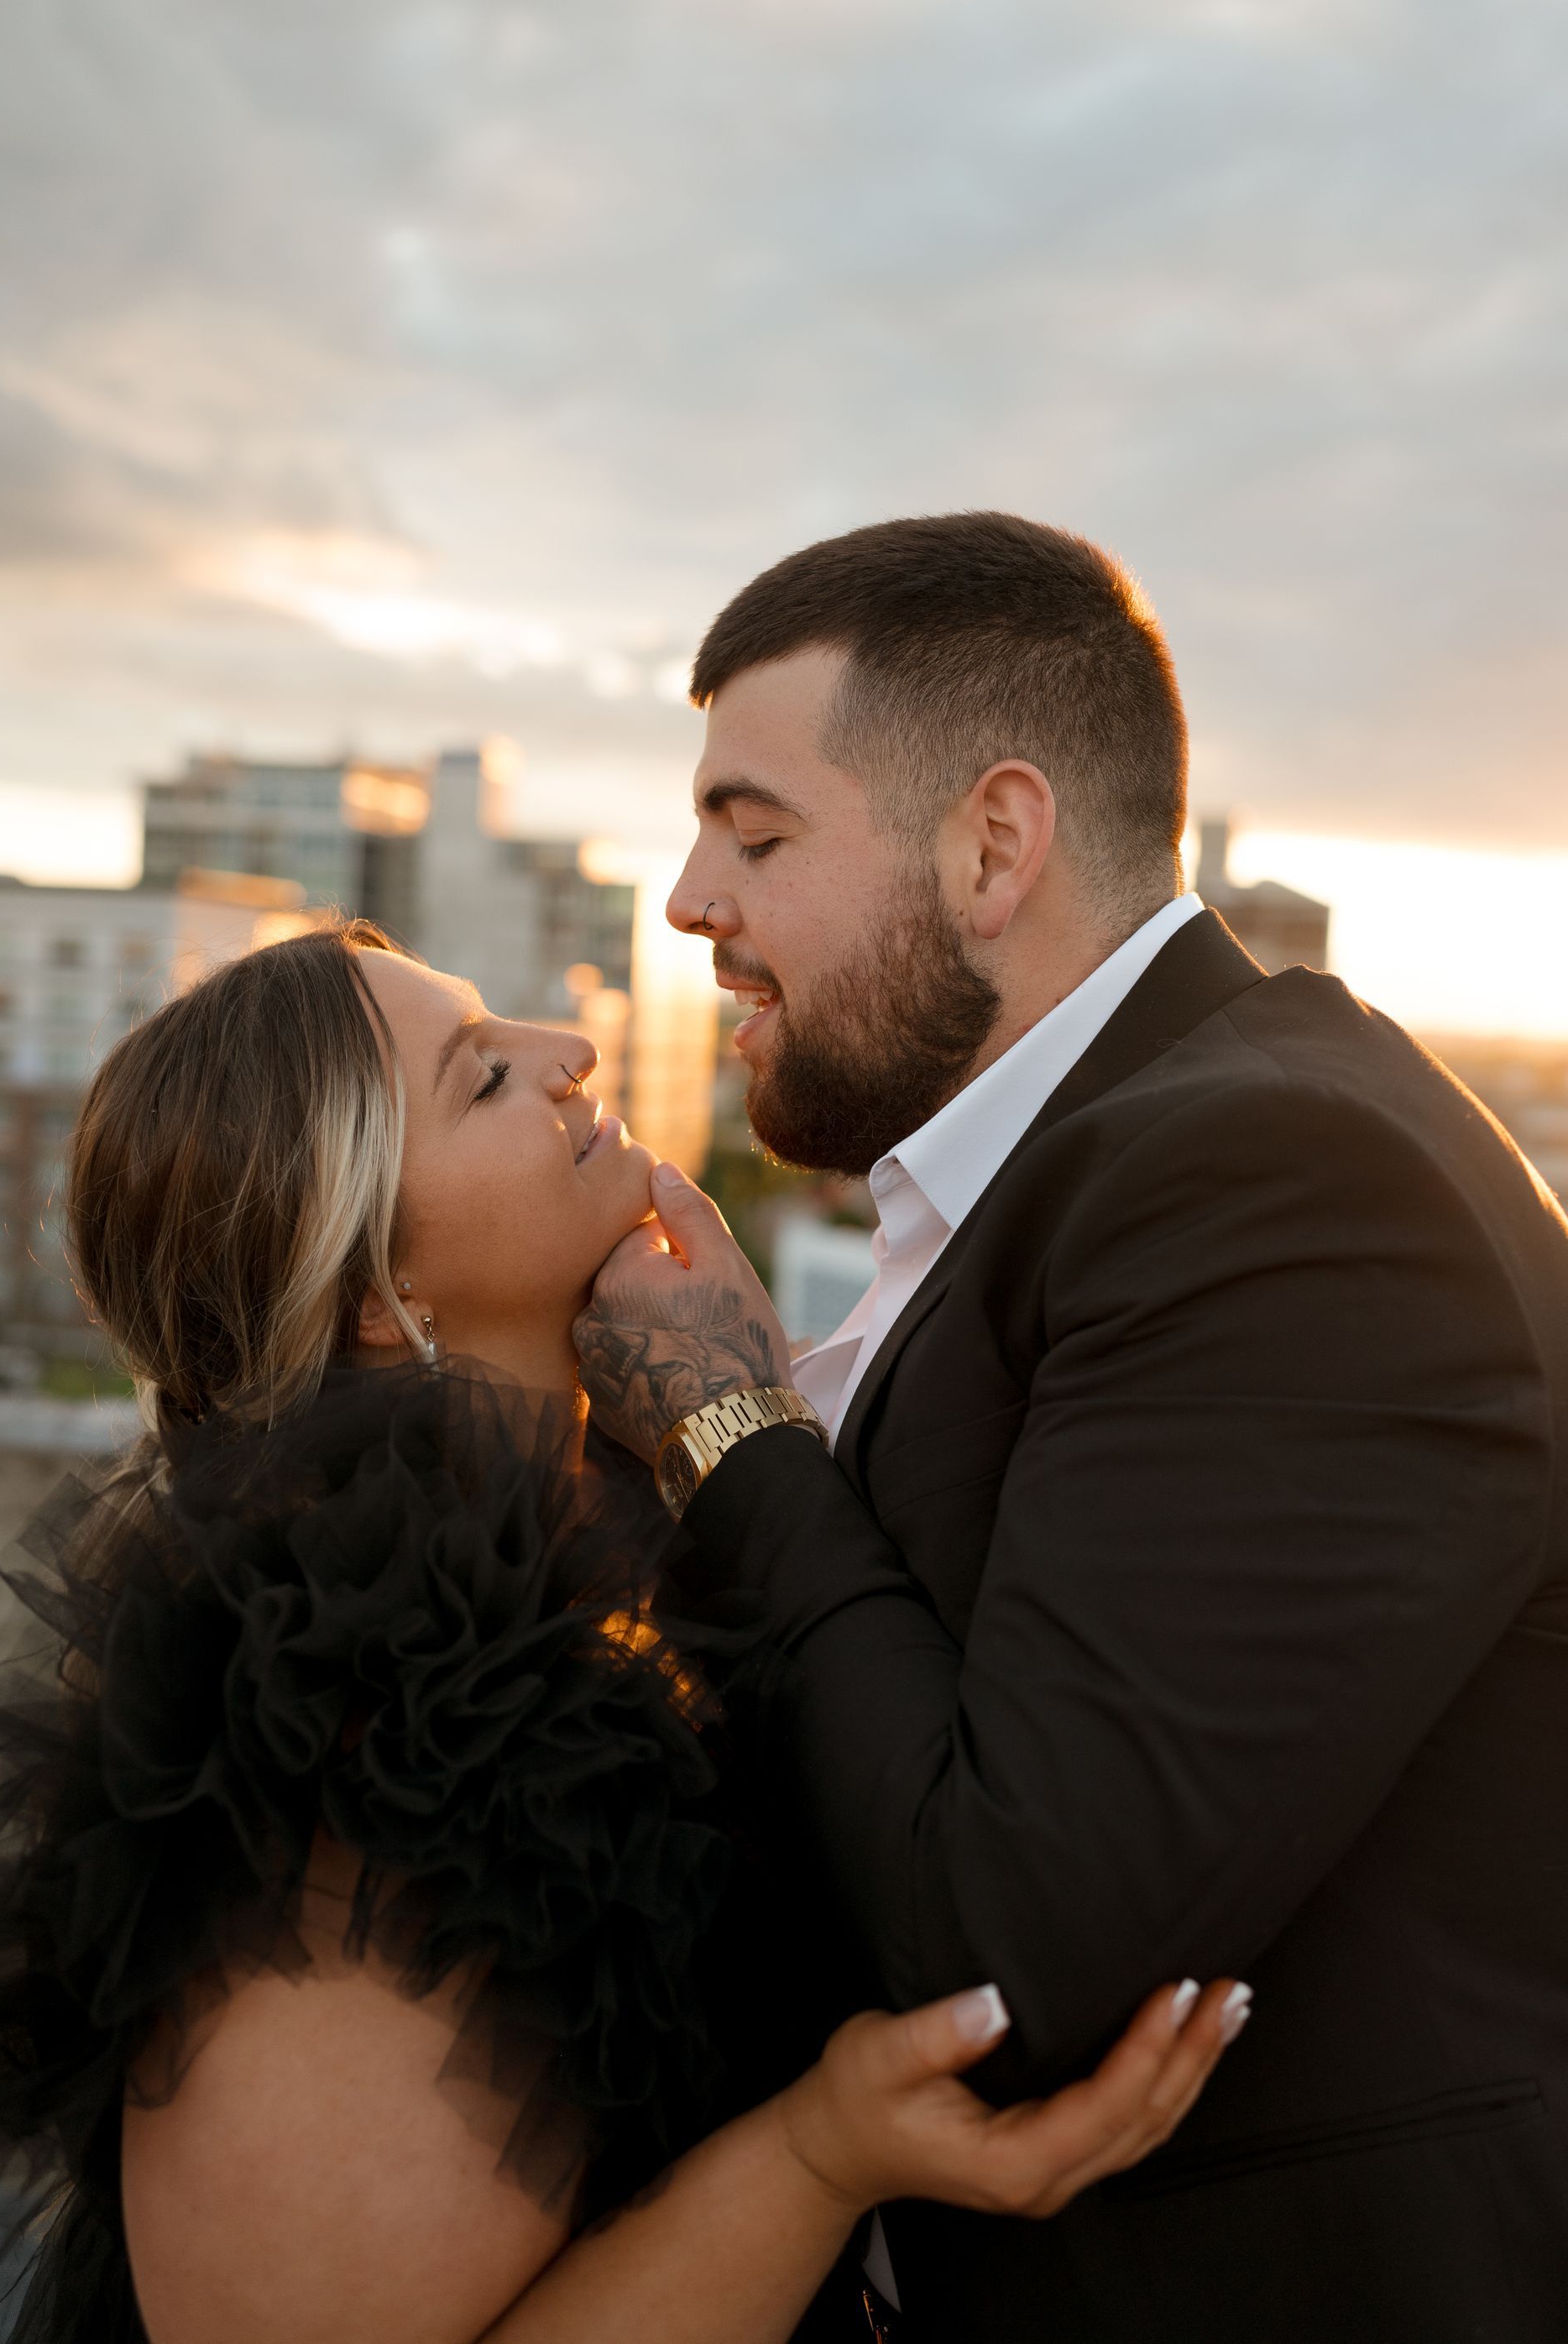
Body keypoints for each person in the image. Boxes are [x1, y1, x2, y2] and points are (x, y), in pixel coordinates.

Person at [0, 922, 1241, 2344]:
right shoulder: (359, 1736)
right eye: (480, 1077)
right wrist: (825, 2151)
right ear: (379, 1291)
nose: (568, 1054)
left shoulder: (601, 1557)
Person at [574, 510, 1568, 2344]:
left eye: (756, 833)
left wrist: (723, 1423)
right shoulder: (1102, 1161)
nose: (691, 901)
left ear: (994, 844)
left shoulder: (1282, 1180)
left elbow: (1003, 1958)